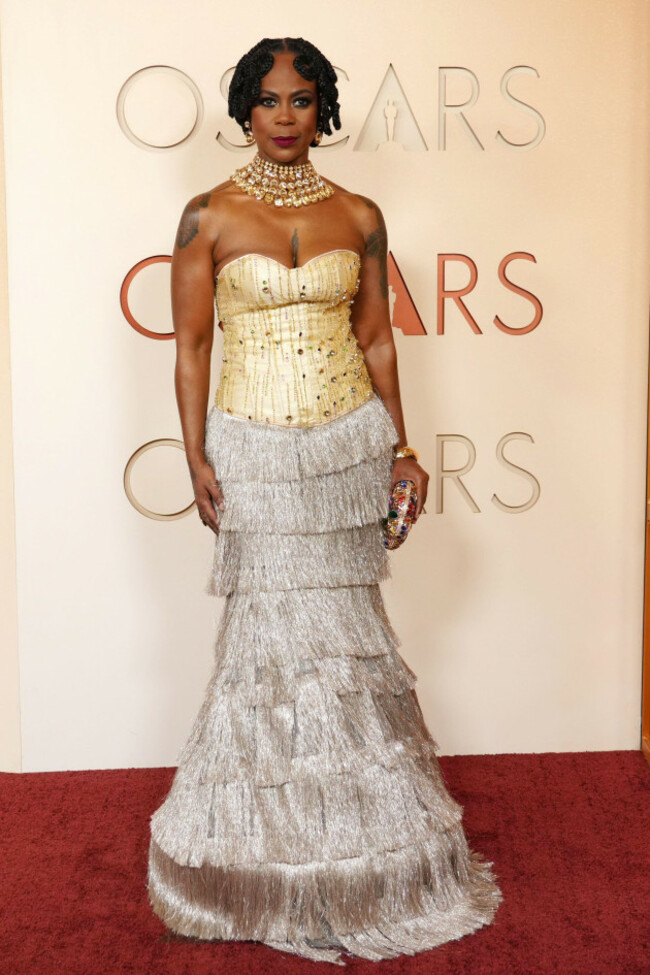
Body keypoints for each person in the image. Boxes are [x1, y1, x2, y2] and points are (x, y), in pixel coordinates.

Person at [147, 36, 503, 965]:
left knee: (347, 638)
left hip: (346, 443)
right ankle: (272, 856)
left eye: (302, 100)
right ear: (244, 108)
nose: (284, 116)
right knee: (270, 640)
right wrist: (195, 458)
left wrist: (404, 446)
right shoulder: (206, 217)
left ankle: (359, 846)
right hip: (253, 448)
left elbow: (379, 339)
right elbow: (190, 349)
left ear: (323, 109)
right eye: (268, 100)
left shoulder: (360, 214)